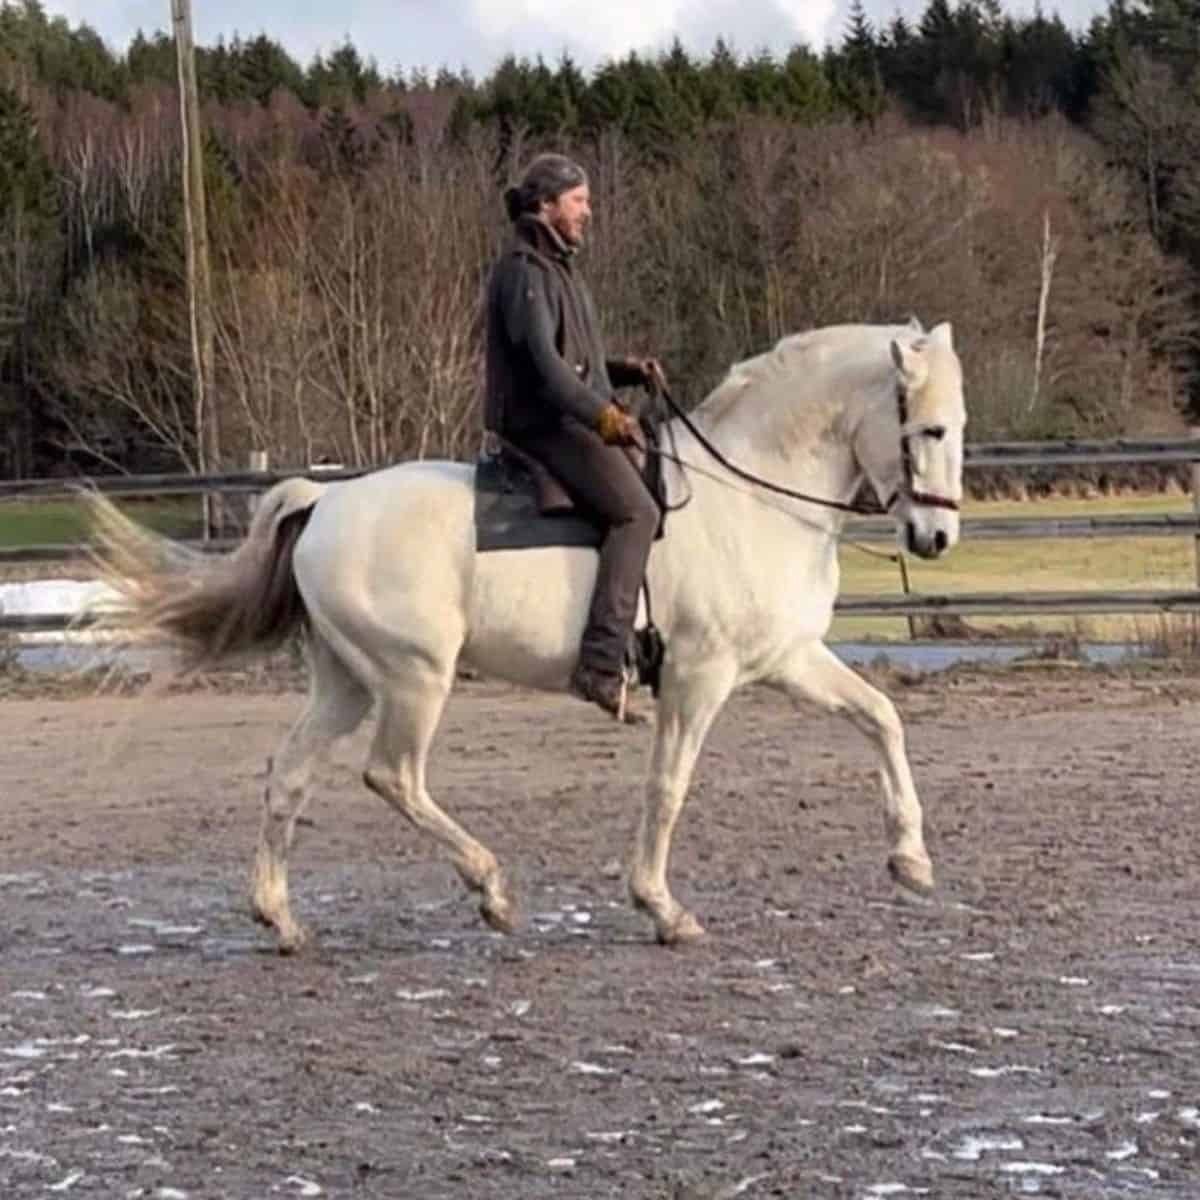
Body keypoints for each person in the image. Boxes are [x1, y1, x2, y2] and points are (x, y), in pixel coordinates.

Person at [483, 152, 667, 720]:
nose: (589, 212)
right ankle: (602, 663)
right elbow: (544, 366)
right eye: (579, 202)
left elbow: (577, 360)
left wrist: (625, 372)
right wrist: (604, 417)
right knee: (638, 513)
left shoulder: (556, 267)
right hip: (541, 423)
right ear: (546, 205)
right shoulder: (523, 270)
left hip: (565, 413)